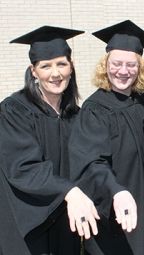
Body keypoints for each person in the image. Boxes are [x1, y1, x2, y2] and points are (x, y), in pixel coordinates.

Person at [0, 26, 100, 254]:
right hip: (26, 224)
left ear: (71, 67)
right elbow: (23, 166)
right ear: (33, 71)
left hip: (65, 223)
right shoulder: (13, 111)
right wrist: (70, 191)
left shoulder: (76, 115)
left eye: (61, 64)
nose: (55, 74)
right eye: (46, 66)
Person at [68, 20, 144, 255]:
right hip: (115, 212)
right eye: (116, 63)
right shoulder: (94, 109)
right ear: (105, 65)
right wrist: (115, 190)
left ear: (140, 68)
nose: (123, 71)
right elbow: (91, 162)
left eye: (131, 65)